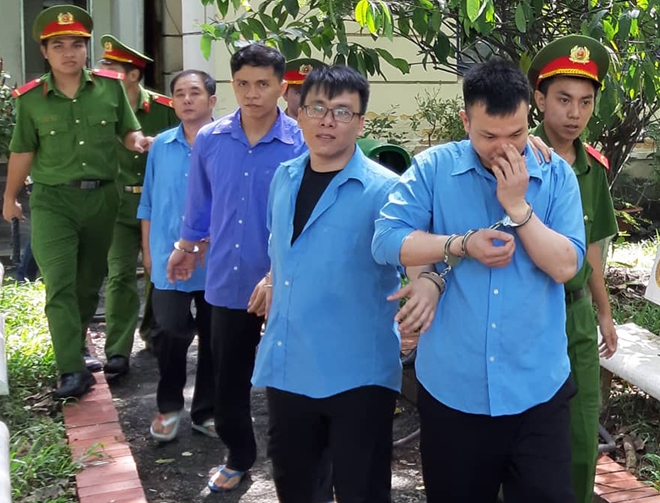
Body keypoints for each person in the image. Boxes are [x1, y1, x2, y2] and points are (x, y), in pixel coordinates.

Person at [372, 59, 587, 502]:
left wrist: (518, 207)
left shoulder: (554, 175)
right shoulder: (433, 169)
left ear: (529, 118)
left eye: (517, 134)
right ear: (465, 121)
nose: (504, 149)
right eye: (489, 136)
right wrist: (460, 244)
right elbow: (387, 240)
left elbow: (567, 266)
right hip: (454, 390)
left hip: (537, 389)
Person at [248, 63, 439, 503]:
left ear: (361, 122)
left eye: (342, 112)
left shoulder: (386, 190)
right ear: (299, 113)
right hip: (288, 366)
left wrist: (424, 286)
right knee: (295, 487)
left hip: (357, 375)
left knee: (361, 490)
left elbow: (413, 253)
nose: (327, 121)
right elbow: (286, 249)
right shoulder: (284, 178)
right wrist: (272, 279)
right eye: (317, 108)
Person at [166, 43, 306, 492]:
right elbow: (200, 203)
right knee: (228, 379)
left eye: (263, 84)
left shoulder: (301, 143)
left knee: (292, 379)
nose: (252, 93)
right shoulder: (211, 139)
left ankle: (300, 468)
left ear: (281, 87)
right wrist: (186, 246)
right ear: (232, 85)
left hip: (288, 282)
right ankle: (239, 454)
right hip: (228, 278)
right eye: (243, 83)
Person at [2, 4, 150, 399]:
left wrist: (139, 142)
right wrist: (10, 197)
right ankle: (70, 369)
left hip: (103, 198)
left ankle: (78, 346)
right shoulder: (31, 99)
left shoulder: (109, 87)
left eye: (77, 45)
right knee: (60, 284)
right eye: (59, 46)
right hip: (53, 201)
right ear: (45, 52)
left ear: (86, 49)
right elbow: (22, 150)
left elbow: (128, 132)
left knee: (88, 283)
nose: (69, 53)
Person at [528, 35, 618, 503]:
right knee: (519, 431)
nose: (574, 113)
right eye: (563, 99)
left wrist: (604, 313)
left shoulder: (593, 168)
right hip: (524, 309)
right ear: (539, 99)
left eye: (585, 102)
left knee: (582, 434)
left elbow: (593, 250)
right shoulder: (512, 155)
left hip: (575, 314)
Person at [138, 69, 217, 442]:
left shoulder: (228, 144)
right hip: (169, 257)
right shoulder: (162, 146)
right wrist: (148, 251)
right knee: (168, 331)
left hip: (216, 260)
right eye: (180, 93)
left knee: (216, 338)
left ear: (211, 100)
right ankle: (169, 406)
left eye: (195, 92)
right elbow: (148, 201)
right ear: (172, 102)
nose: (187, 99)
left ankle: (207, 411)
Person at [96, 35, 179, 377]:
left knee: (158, 273)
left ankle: (153, 332)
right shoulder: (98, 108)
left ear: (132, 74)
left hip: (159, 206)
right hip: (118, 206)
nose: (101, 71)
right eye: (102, 65)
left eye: (110, 67)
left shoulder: (165, 109)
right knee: (119, 275)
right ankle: (117, 350)